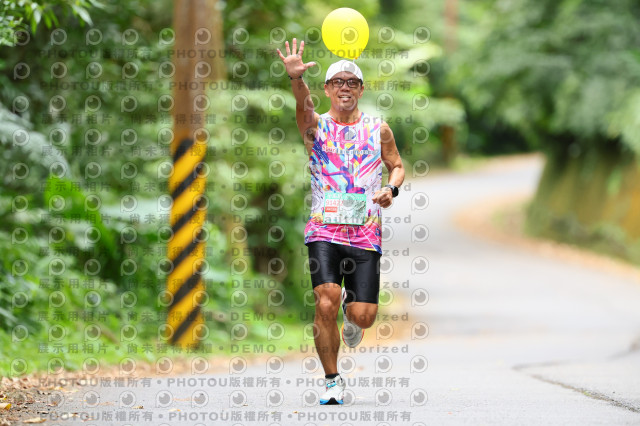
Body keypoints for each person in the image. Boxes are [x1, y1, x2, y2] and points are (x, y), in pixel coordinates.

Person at [277, 38, 405, 405]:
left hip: (365, 232)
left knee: (363, 317)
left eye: (351, 82)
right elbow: (303, 105)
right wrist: (296, 78)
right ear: (327, 89)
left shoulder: (379, 129)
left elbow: (396, 165)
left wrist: (391, 189)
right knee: (325, 301)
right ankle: (332, 380)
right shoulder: (315, 127)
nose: (344, 87)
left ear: (361, 89)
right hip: (324, 230)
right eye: (338, 82)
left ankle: (353, 315)